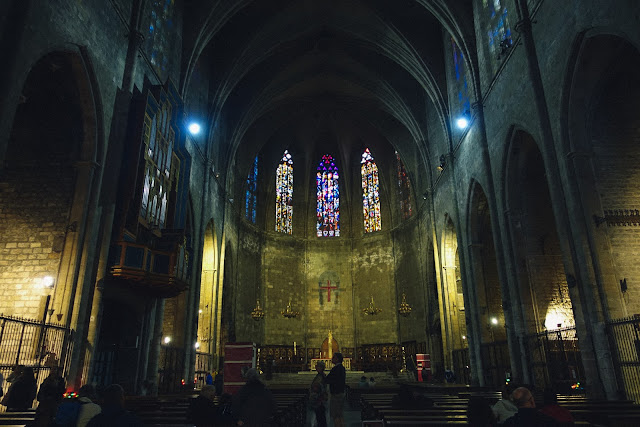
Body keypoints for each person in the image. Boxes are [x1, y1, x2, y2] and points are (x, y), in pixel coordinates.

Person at [324, 352, 346, 427]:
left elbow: (329, 379)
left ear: (337, 359)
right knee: (340, 414)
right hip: (340, 392)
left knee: (335, 415)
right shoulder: (342, 368)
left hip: (336, 394)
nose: (331, 359)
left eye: (333, 357)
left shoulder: (336, 369)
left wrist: (323, 376)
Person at [309, 361, 328, 427]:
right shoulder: (321, 375)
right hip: (320, 400)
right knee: (320, 417)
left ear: (321, 367)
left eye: (317, 366)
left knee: (320, 418)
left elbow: (317, 387)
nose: (316, 367)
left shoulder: (320, 377)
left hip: (319, 400)